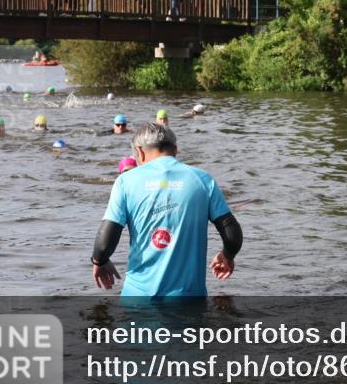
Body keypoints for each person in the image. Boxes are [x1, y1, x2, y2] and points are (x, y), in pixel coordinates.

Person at [91, 123, 243, 298]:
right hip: (189, 300)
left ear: (139, 152)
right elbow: (232, 236)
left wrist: (99, 260)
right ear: (175, 150)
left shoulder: (125, 181)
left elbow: (103, 244)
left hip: (139, 299)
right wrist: (227, 255)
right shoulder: (203, 180)